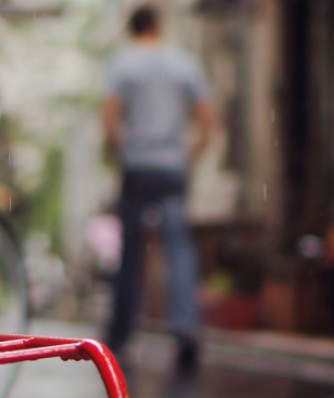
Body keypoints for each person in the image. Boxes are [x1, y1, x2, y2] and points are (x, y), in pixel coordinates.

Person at [101, 4, 214, 373]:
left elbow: (111, 118)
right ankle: (185, 328)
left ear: (133, 30)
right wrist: (189, 153)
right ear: (158, 26)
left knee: (132, 251)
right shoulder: (184, 64)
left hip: (137, 166)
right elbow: (206, 118)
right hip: (172, 167)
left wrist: (123, 150)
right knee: (179, 247)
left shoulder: (123, 64)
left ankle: (120, 336)